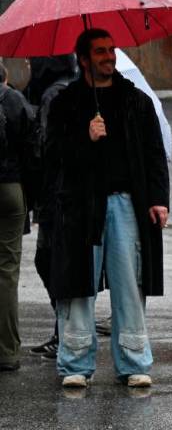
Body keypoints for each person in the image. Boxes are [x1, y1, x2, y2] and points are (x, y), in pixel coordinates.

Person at [43, 29, 169, 389]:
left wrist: (159, 199)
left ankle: (133, 362)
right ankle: (75, 364)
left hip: (126, 203)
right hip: (79, 206)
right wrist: (85, 137)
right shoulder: (66, 103)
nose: (109, 56)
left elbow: (154, 154)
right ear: (83, 59)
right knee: (78, 285)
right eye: (100, 51)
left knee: (129, 282)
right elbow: (51, 156)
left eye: (111, 49)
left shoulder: (135, 100)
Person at [26, 54, 79, 361]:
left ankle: (65, 333)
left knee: (49, 261)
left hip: (55, 196)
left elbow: (45, 147)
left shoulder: (52, 95)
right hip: (65, 194)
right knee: (56, 262)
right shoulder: (72, 88)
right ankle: (64, 331)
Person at [0, 62, 35, 372]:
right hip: (10, 189)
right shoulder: (15, 101)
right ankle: (7, 351)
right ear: (5, 76)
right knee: (7, 272)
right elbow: (32, 151)